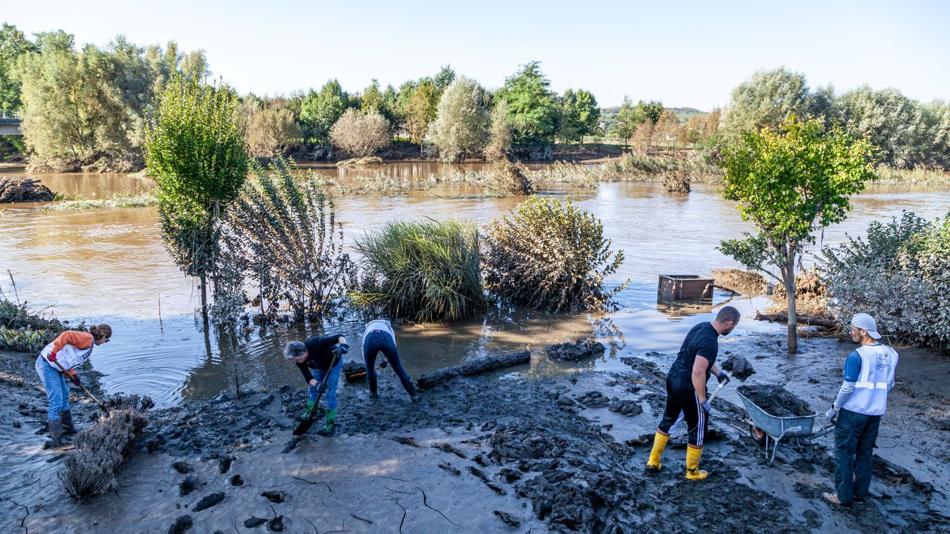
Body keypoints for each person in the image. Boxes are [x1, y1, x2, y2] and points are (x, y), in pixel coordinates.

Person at [645, 306, 740, 480]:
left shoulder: (701, 327)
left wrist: (718, 373)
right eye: (733, 327)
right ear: (729, 322)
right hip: (689, 387)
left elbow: (699, 359)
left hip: (673, 379)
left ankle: (653, 461)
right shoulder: (710, 342)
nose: (732, 329)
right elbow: (697, 371)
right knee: (698, 426)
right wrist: (703, 400)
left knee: (669, 418)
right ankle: (692, 472)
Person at [822, 313, 899, 507]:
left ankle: (843, 496)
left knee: (843, 453)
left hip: (853, 413)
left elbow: (848, 387)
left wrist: (833, 408)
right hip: (875, 414)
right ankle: (860, 493)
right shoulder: (892, 353)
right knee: (865, 453)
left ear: (864, 332)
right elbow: (889, 384)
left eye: (853, 329)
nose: (851, 332)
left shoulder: (857, 356)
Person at [35, 324, 112, 447]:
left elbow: (68, 358)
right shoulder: (87, 338)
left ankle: (68, 429)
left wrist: (73, 375)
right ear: (102, 335)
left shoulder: (89, 344)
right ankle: (57, 439)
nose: (105, 342)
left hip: (56, 367)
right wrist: (54, 351)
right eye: (106, 340)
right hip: (47, 364)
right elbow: (67, 335)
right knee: (56, 402)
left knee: (64, 397)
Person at [284, 334, 348, 437]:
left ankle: (330, 422)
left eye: (297, 359)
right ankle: (311, 411)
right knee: (312, 389)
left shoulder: (317, 343)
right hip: (318, 366)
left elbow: (339, 336)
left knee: (330, 394)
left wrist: (343, 346)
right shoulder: (299, 360)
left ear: (304, 353)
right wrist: (318, 384)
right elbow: (308, 378)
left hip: (333, 364)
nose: (296, 362)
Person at [362, 318, 419, 401]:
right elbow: (393, 346)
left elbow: (364, 349)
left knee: (370, 369)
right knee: (399, 369)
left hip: (370, 338)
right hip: (386, 338)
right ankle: (415, 396)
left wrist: (368, 366)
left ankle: (373, 394)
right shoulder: (388, 327)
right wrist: (385, 360)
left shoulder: (367, 329)